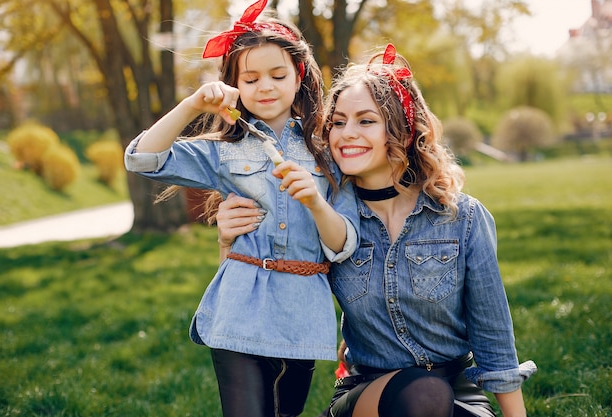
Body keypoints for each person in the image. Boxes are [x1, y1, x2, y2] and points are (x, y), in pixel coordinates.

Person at [215, 43, 536, 417]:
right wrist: (228, 241)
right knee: (424, 394)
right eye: (337, 122)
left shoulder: (462, 218)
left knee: (435, 397)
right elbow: (250, 293)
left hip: (457, 389)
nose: (346, 134)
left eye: (366, 121)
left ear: (399, 129)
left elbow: (493, 337)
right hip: (367, 393)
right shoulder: (321, 214)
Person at [123, 1, 359, 416]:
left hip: (300, 311)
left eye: (277, 74)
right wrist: (193, 105)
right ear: (234, 86)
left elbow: (345, 244)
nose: (265, 86)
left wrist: (315, 202)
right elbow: (142, 159)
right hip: (238, 306)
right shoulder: (227, 151)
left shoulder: (329, 149)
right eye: (250, 79)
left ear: (299, 75)